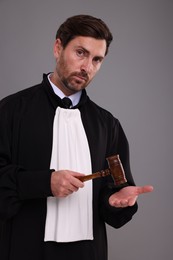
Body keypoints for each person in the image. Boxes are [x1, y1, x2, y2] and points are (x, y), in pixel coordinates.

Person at [0, 14, 153, 260]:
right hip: (24, 248)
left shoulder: (107, 125)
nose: (87, 67)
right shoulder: (10, 111)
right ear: (58, 47)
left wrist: (116, 201)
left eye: (97, 59)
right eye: (80, 53)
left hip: (87, 253)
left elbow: (115, 191)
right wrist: (44, 183)